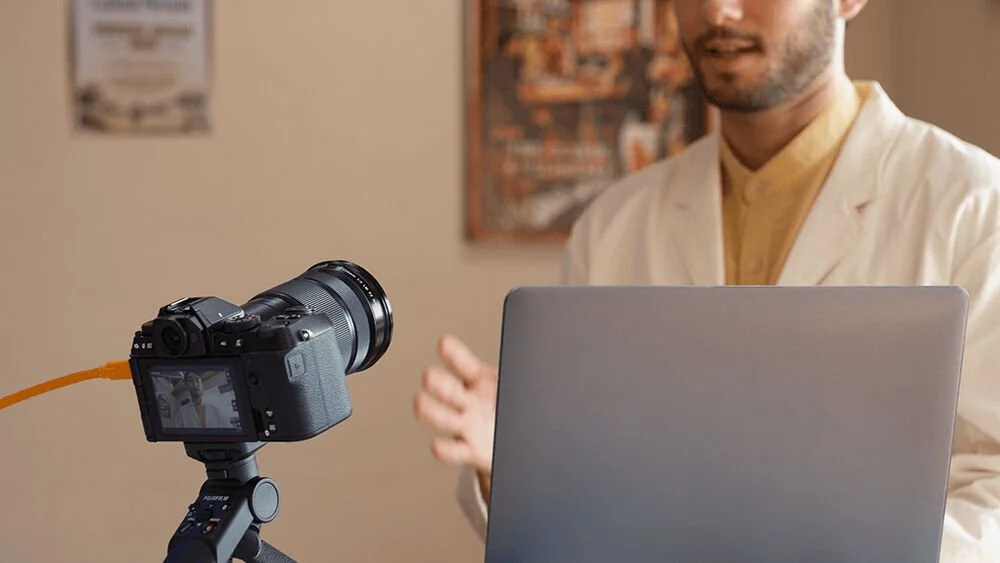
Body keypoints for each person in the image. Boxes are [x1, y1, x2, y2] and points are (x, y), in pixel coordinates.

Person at [413, 0, 1000, 560]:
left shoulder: (975, 208)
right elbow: (586, 505)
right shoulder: (614, 226)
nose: (717, 12)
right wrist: (520, 474)